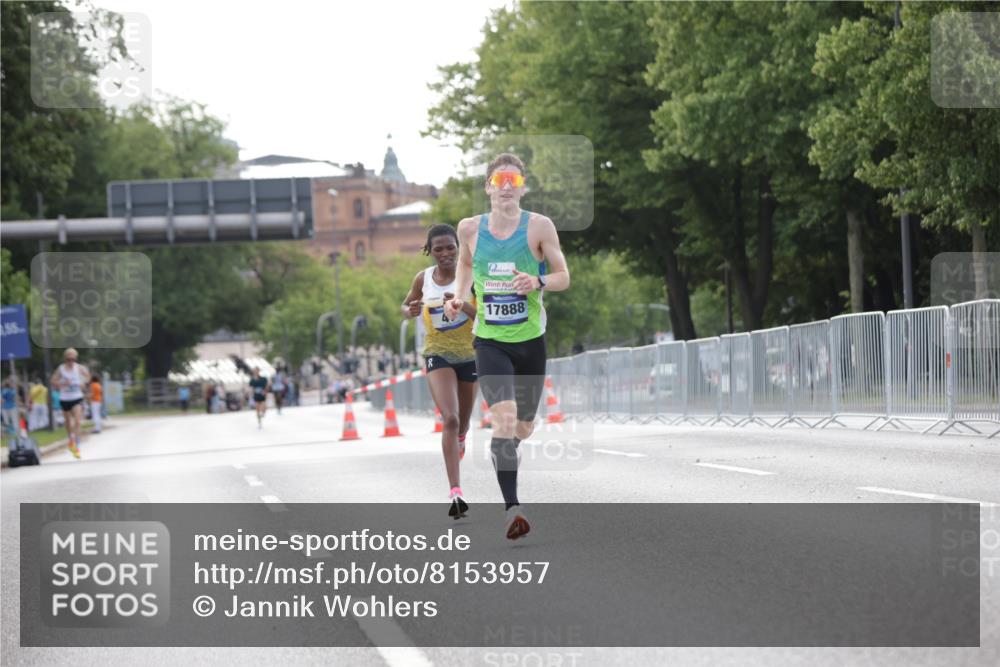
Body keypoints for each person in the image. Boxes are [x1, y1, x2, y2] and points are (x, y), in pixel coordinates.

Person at [445, 153, 571, 540]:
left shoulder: (539, 227)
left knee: (525, 426)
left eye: (513, 181)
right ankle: (513, 509)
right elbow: (465, 265)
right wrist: (458, 294)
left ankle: (507, 446)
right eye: (499, 180)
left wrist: (538, 282)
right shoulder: (470, 229)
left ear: (522, 187)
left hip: (530, 341)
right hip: (491, 342)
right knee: (503, 421)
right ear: (487, 186)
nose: (505, 187)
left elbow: (564, 276)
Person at [402, 224, 479, 520]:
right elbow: (406, 304)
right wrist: (407, 311)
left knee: (463, 425)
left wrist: (461, 306)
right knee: (450, 417)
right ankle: (456, 492)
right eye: (439, 249)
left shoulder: (471, 276)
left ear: (458, 248)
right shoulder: (423, 279)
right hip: (437, 355)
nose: (445, 253)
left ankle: (460, 438)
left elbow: (485, 315)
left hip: (470, 355)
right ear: (430, 251)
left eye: (450, 247)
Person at [50, 348, 91, 458]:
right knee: (68, 422)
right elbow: (53, 381)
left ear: (75, 359)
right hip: (64, 398)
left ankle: (76, 445)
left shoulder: (79, 368)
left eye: (73, 359)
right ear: (65, 359)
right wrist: (62, 384)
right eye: (69, 359)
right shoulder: (61, 369)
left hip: (77, 397)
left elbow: (88, 377)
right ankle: (70, 439)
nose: (71, 361)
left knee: (77, 421)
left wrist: (84, 383)